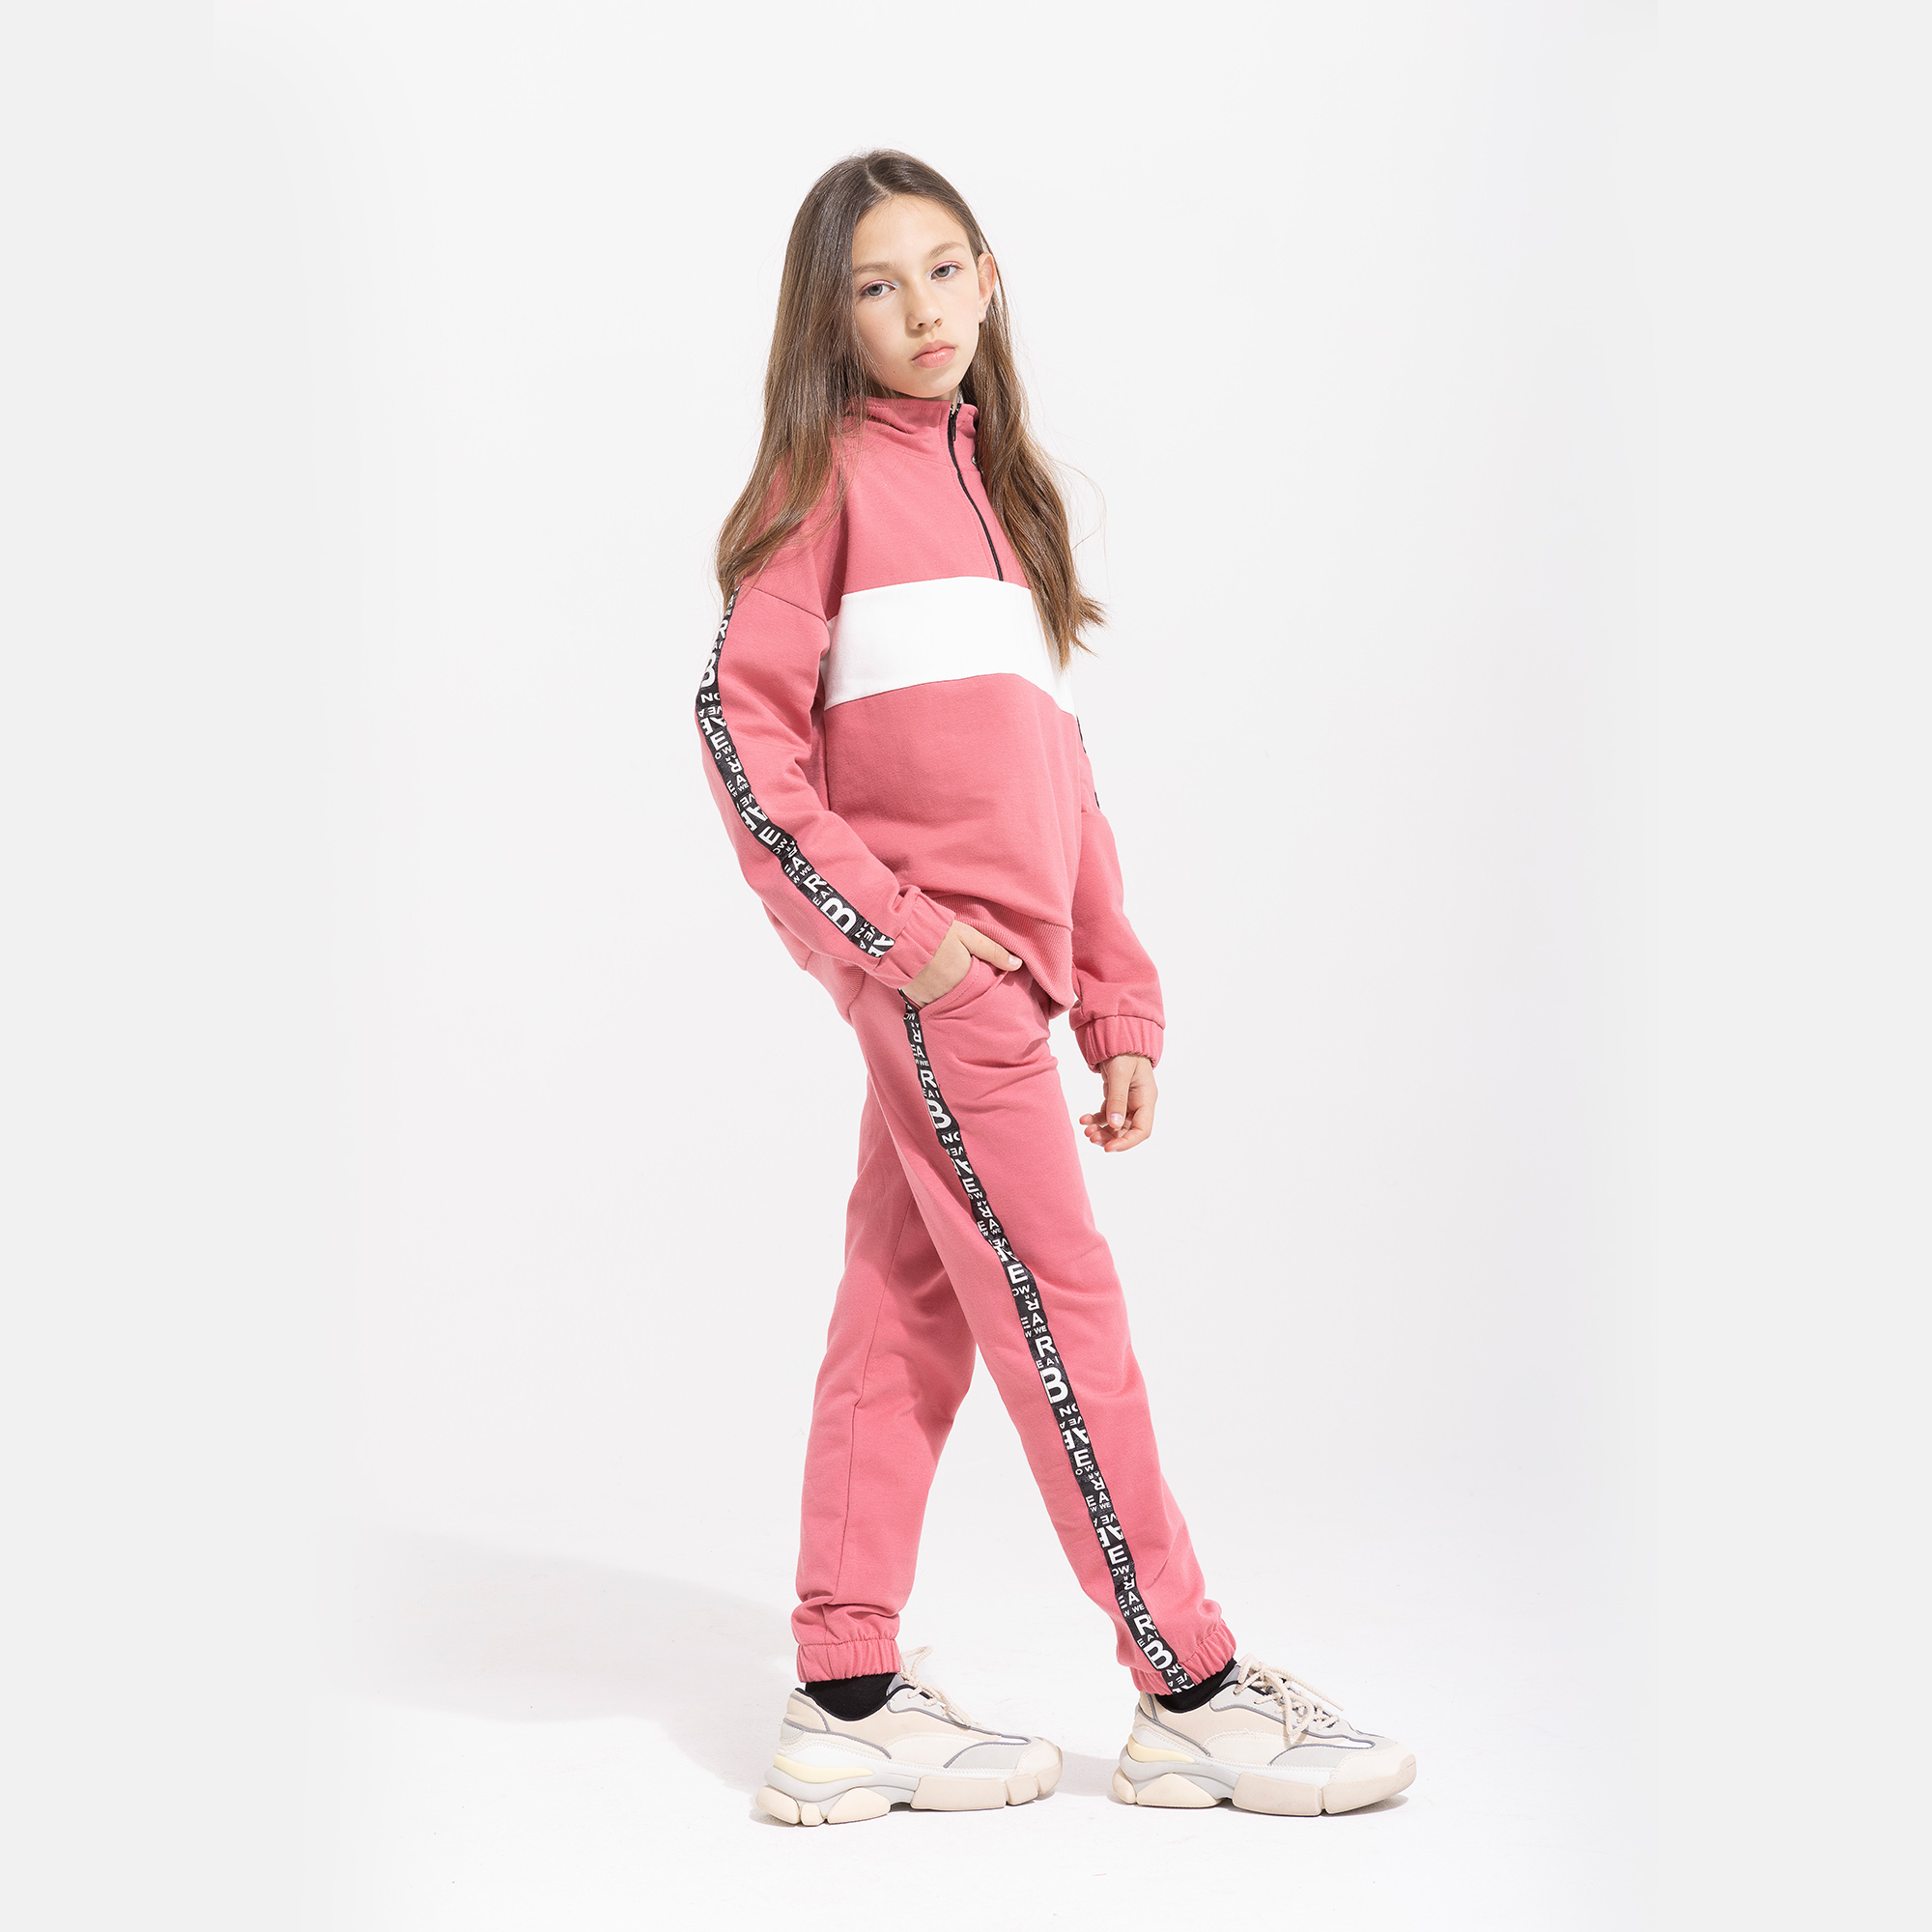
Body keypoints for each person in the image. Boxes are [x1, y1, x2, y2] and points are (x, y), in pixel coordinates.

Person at [696, 150, 1414, 1826]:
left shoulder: (1003, 502)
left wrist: (1118, 996)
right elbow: (741, 733)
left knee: (903, 1311)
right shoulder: (825, 484)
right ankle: (1189, 1687)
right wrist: (910, 944)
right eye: (877, 286)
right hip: (948, 985)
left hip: (1008, 986)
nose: (920, 311)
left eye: (944, 271)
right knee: (1064, 1313)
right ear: (830, 318)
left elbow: (1056, 779)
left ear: (991, 278)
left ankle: (845, 1698)